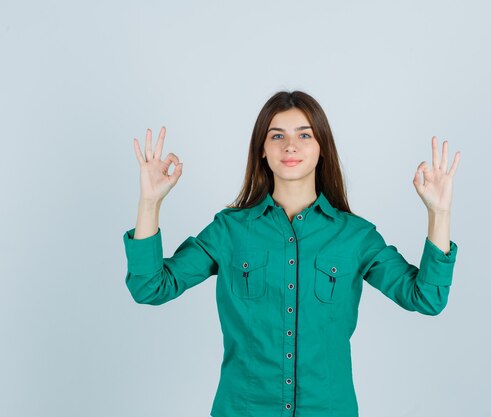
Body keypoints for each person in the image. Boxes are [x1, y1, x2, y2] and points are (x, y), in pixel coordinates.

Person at [122, 90, 461, 417]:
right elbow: (150, 287)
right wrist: (149, 202)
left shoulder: (355, 237)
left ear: (322, 148)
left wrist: (439, 213)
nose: (290, 146)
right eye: (277, 136)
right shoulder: (230, 230)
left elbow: (426, 298)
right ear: (262, 151)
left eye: (304, 135)